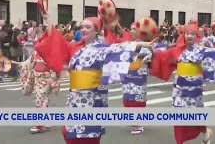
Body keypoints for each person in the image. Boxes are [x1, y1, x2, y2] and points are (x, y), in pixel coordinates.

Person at [34, 9, 152, 144]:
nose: (83, 29)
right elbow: (57, 42)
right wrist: (47, 20)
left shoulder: (103, 48)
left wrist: (140, 45)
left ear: (96, 31)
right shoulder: (76, 48)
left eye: (88, 27)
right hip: (75, 99)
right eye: (82, 26)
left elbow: (120, 48)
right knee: (69, 133)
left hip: (92, 100)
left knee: (87, 137)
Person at [150, 22, 215, 144]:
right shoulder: (176, 50)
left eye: (192, 34)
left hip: (194, 90)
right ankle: (180, 141)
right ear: (184, 35)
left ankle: (205, 132)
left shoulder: (201, 50)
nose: (189, 36)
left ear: (196, 36)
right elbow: (161, 56)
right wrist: (151, 49)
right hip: (179, 90)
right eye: (187, 33)